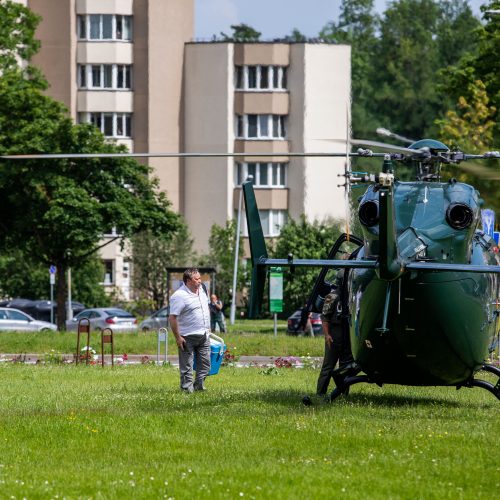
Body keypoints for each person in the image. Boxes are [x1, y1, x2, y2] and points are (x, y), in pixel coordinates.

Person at [169, 268, 211, 392]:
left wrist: (208, 329)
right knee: (187, 367)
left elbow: (205, 309)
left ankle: (199, 387)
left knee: (205, 365)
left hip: (204, 334)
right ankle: (187, 390)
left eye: (200, 278)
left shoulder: (203, 289)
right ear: (188, 281)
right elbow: (172, 318)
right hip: (186, 336)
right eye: (196, 279)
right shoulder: (179, 296)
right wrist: (178, 337)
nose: (200, 281)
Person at [316, 269, 355, 396]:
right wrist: (327, 335)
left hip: (347, 336)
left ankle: (343, 393)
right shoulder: (331, 297)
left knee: (345, 368)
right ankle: (320, 393)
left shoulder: (353, 297)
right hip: (334, 335)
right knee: (328, 367)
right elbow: (325, 317)